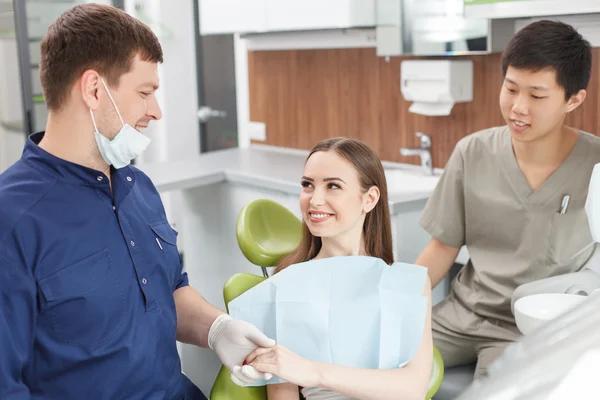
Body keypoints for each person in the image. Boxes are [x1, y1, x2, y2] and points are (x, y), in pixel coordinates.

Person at [0, 4, 273, 399]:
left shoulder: (138, 187)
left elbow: (168, 290)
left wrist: (217, 328)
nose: (156, 111)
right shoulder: (13, 220)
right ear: (94, 89)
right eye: (145, 93)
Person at [414, 19, 600, 380]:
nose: (518, 107)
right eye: (511, 88)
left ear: (574, 99)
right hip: (463, 314)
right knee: (374, 356)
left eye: (537, 95)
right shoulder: (473, 152)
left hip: (533, 325)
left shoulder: (596, 164)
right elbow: (441, 247)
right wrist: (398, 302)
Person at [241, 138, 433, 400]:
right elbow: (281, 395)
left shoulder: (408, 284)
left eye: (333, 186)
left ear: (369, 198)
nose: (315, 200)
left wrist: (313, 372)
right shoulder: (285, 288)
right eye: (308, 185)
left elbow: (413, 388)